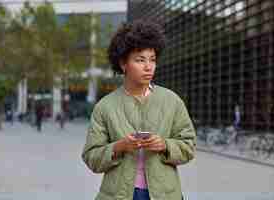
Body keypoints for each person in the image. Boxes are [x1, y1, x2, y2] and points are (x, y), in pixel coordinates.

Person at [81, 20, 196, 200]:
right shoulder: (105, 106)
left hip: (164, 194)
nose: (148, 67)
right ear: (123, 64)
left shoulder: (172, 101)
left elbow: (189, 146)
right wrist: (119, 146)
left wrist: (165, 145)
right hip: (119, 194)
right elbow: (91, 157)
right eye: (140, 60)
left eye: (152, 60)